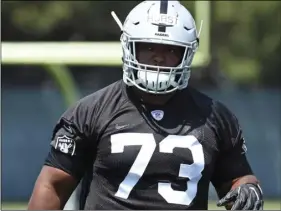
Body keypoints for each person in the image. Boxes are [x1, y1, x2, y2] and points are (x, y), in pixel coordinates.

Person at [27, 0, 264, 210]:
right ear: (130, 47)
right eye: (148, 47)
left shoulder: (214, 117)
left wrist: (248, 189)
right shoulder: (90, 112)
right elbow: (53, 185)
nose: (158, 57)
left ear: (187, 54)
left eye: (170, 50)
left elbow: (237, 180)